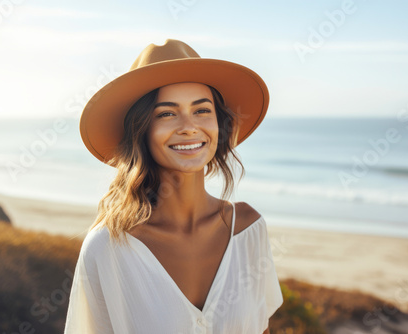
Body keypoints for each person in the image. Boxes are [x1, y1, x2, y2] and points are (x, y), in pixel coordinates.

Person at [64, 39, 284, 334]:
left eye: (202, 110)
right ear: (142, 131)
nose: (188, 126)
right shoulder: (107, 248)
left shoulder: (248, 229)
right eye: (167, 113)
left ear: (220, 125)